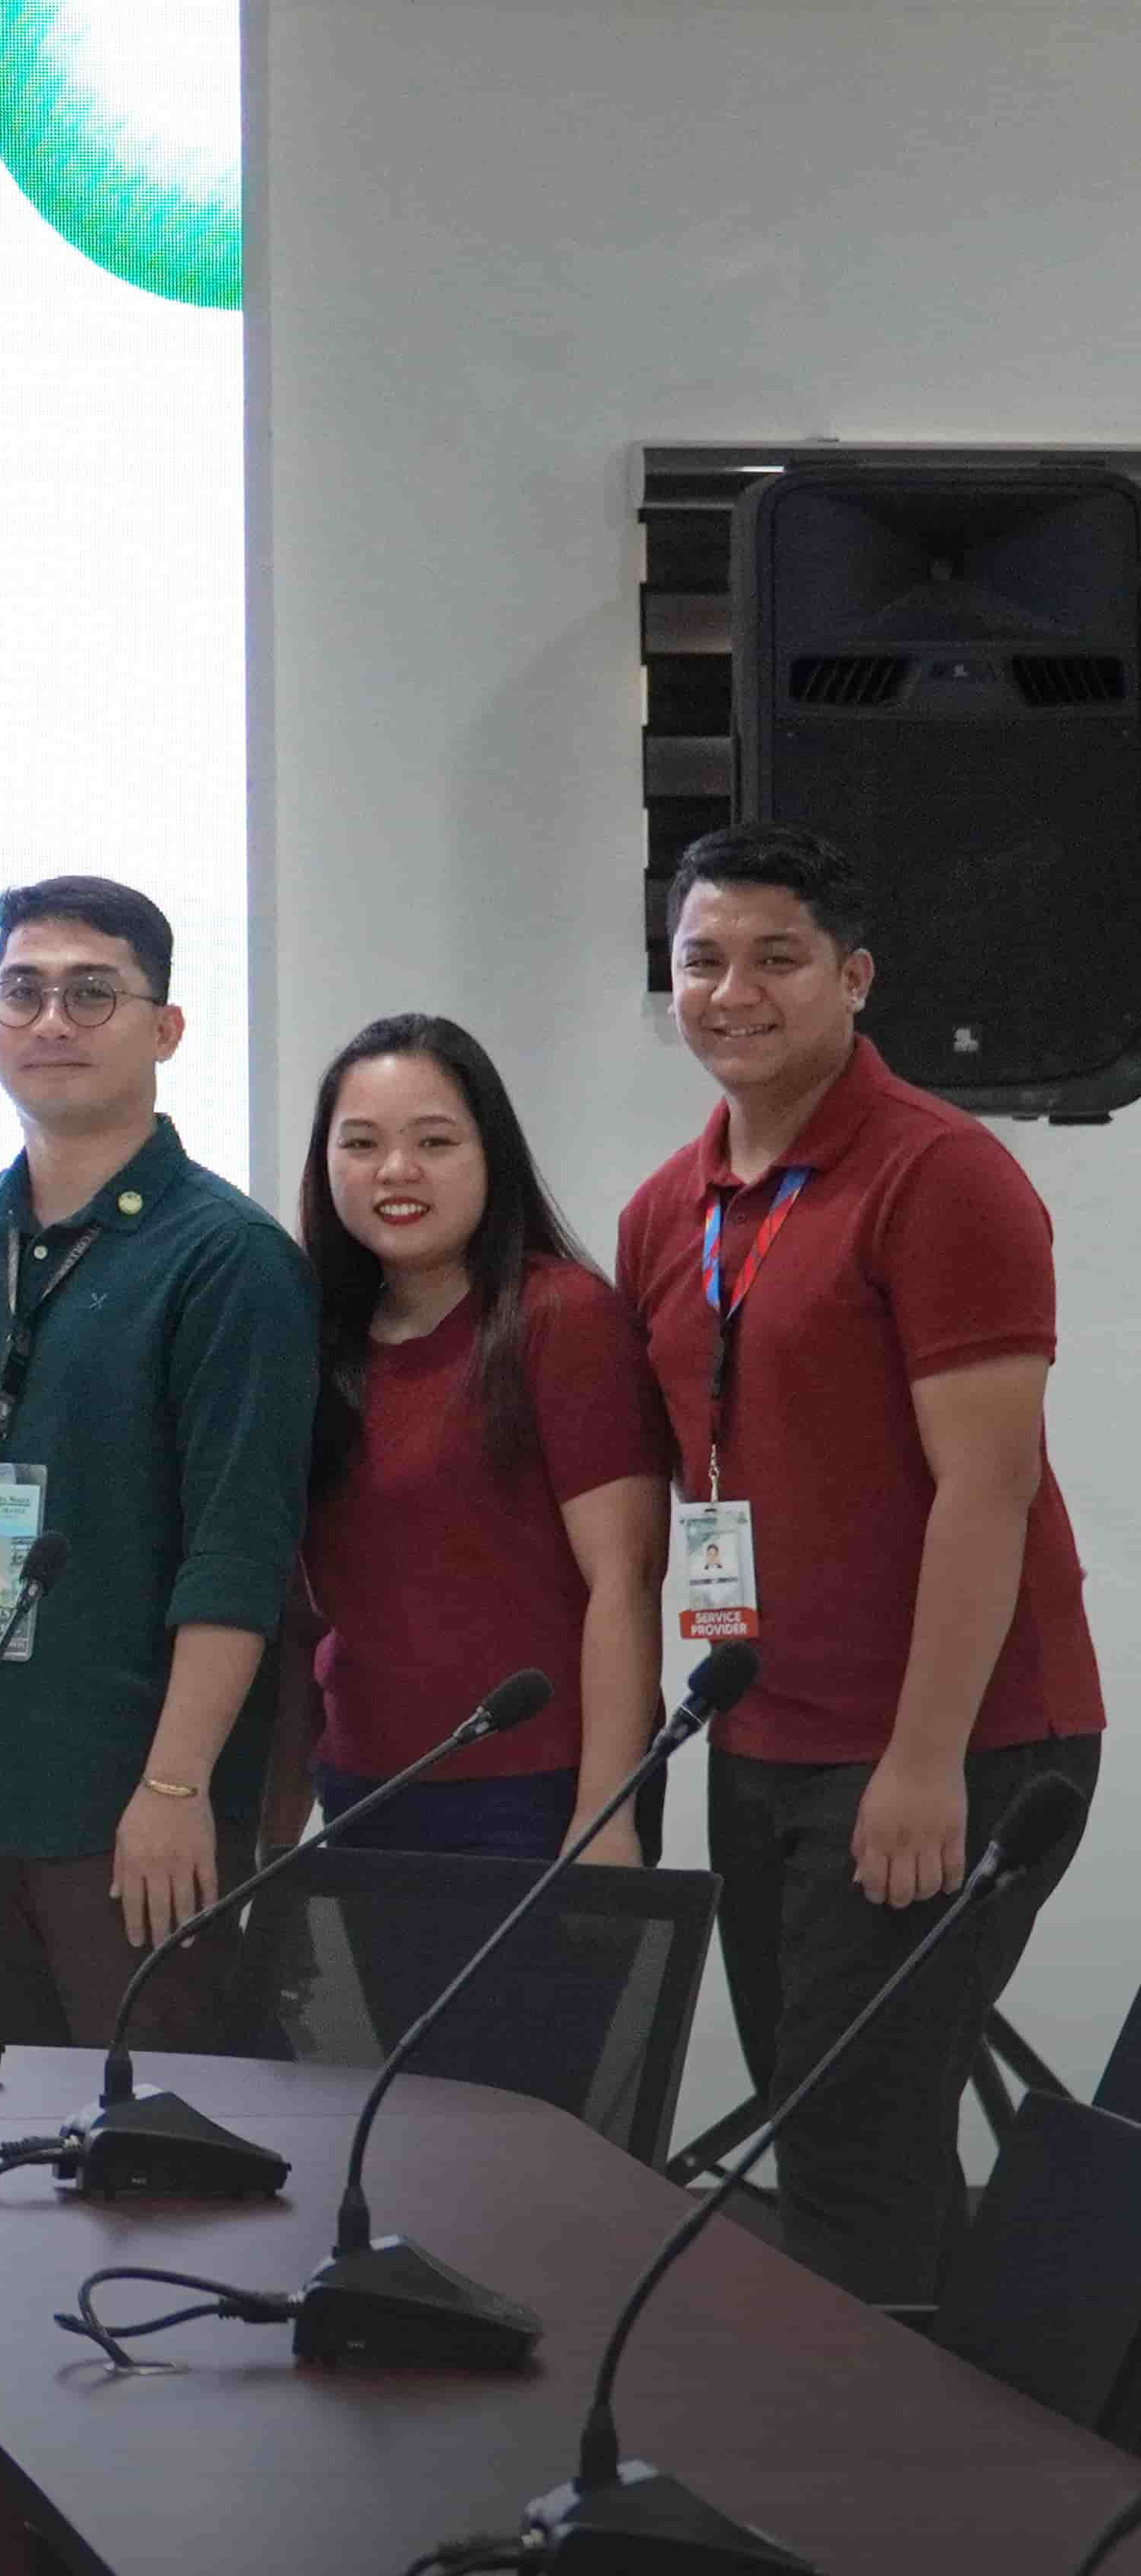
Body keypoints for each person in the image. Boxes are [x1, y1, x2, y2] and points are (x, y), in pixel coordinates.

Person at [618, 819, 1101, 2304]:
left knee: (849, 2151)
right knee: (837, 2132)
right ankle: (955, 2459)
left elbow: (989, 1484)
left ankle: (890, 2510)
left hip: (959, 1743)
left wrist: (923, 1761)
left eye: (777, 958)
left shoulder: (938, 1175)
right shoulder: (665, 1209)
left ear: (855, 977)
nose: (734, 990)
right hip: (768, 1737)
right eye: (704, 959)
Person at [0, 877, 313, 2053]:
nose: (52, 1021)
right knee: (11, 2158)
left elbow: (239, 1550)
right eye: (22, 992)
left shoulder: (228, 1258)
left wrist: (175, 1792)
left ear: (166, 1029)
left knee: (157, 2155)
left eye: (92, 993)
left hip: (130, 1810)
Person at [290, 1014, 662, 1863]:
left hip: (536, 1793)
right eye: (361, 1143)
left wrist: (605, 1816)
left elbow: (627, 1581)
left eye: (435, 1140)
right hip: (362, 1788)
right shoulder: (316, 1337)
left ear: (492, 1154)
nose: (396, 1170)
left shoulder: (562, 1318)